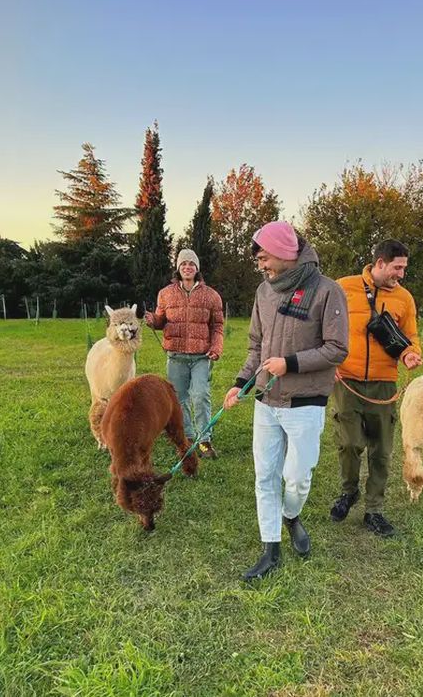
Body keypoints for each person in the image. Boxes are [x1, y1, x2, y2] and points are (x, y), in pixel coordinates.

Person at [222, 221, 349, 581]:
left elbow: (337, 348)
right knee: (265, 477)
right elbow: (255, 345)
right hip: (266, 400)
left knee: (296, 478)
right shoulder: (264, 292)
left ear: (283, 251)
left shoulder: (327, 291)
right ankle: (270, 550)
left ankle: (291, 515)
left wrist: (290, 364)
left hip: (306, 404)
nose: (261, 265)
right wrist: (241, 382)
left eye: (263, 257)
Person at [329, 239, 422, 538]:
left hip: (384, 384)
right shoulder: (342, 287)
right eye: (398, 267)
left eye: (404, 268)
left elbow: (411, 335)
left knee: (381, 450)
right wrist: (327, 360)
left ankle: (374, 510)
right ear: (380, 263)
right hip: (346, 379)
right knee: (350, 443)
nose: (401, 274)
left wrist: (410, 353)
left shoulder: (405, 298)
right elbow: (323, 326)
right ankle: (348, 492)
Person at [145, 249, 224, 459]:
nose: (187, 267)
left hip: (201, 357)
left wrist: (216, 347)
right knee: (178, 400)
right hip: (176, 356)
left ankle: (205, 439)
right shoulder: (165, 293)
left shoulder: (211, 295)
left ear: (197, 268)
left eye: (191, 264)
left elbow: (217, 326)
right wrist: (153, 320)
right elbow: (161, 320)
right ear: (178, 268)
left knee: (200, 396)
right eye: (183, 264)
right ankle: (187, 437)